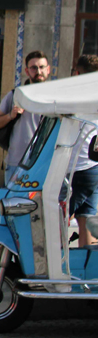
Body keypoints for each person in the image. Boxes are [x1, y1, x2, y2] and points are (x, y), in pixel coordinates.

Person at [0, 51, 50, 182]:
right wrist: (10, 116)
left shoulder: (55, 97)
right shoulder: (15, 95)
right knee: (13, 201)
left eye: (41, 67)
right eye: (34, 68)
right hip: (17, 163)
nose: (38, 71)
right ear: (27, 71)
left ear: (48, 69)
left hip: (46, 162)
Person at [70, 56, 98, 246]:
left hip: (75, 167)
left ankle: (50, 268)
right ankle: (87, 272)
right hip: (93, 167)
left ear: (78, 73)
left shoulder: (73, 96)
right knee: (87, 220)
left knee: (55, 219)